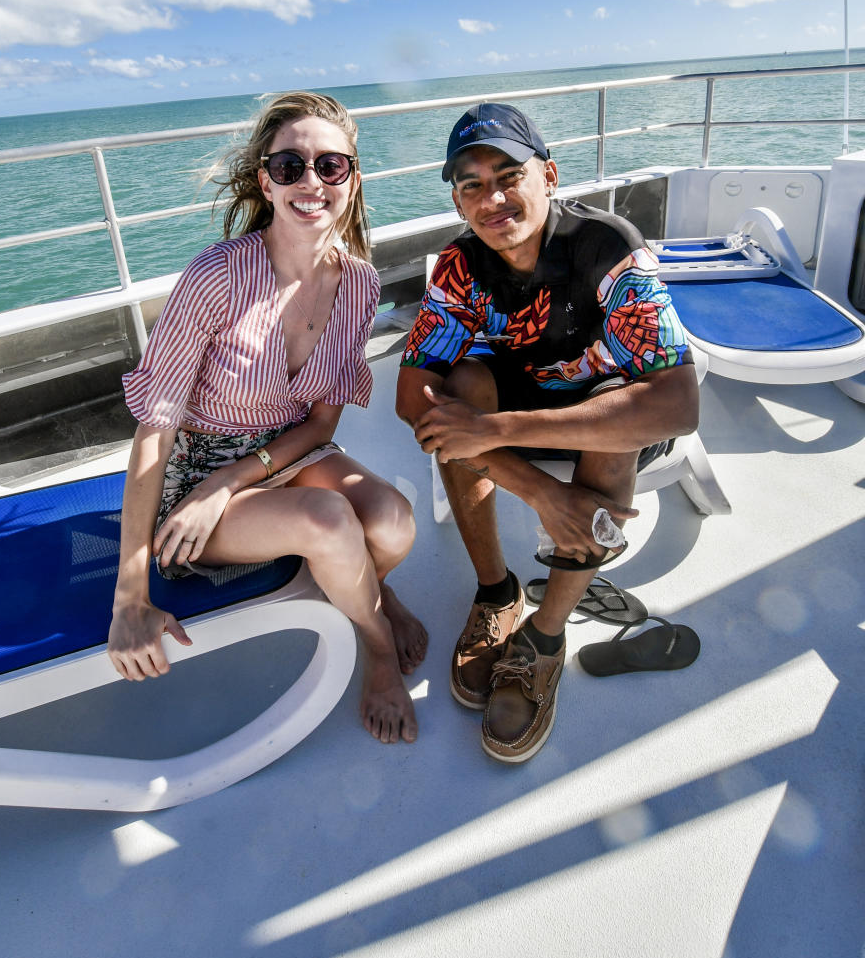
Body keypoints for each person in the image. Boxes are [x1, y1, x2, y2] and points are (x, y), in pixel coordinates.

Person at [108, 91, 425, 745]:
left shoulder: (360, 284)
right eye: (290, 167)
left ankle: (366, 584)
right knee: (329, 518)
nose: (311, 182)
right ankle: (378, 646)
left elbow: (321, 427)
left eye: (330, 166)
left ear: (352, 178)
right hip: (194, 472)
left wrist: (234, 483)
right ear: (267, 182)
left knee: (393, 521)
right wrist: (130, 600)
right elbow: (154, 434)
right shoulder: (216, 278)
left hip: (283, 456)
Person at [395, 101, 698, 763]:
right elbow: (411, 398)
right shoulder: (460, 267)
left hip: (603, 414)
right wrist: (544, 495)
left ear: (550, 175)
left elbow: (677, 404)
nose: (492, 197)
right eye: (471, 184)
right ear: (457, 200)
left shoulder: (607, 247)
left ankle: (546, 636)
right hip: (518, 419)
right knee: (457, 392)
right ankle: (495, 590)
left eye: (508, 175)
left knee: (615, 421)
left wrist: (497, 428)